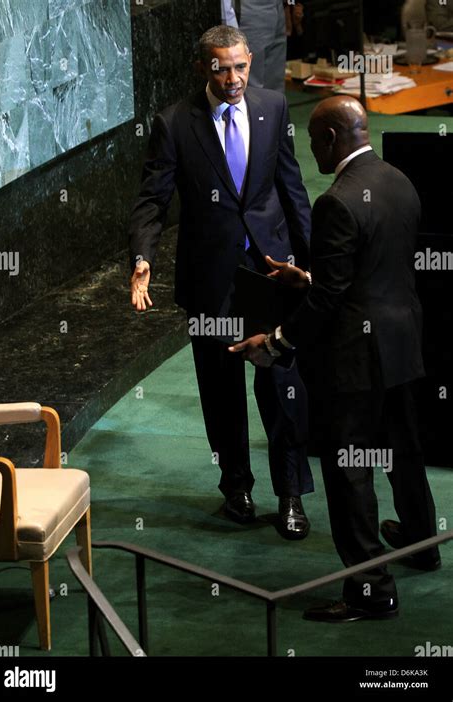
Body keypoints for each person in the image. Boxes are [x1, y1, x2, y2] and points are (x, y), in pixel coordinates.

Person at [231, 95, 440, 621]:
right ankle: (421, 541)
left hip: (355, 358)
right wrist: (307, 276)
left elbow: (328, 303)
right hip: (404, 342)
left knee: (350, 470)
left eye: (312, 139)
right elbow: (370, 269)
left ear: (329, 139)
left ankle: (371, 590)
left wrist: (274, 342)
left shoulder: (336, 201)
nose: (308, 148)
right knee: (405, 447)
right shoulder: (399, 179)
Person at [129, 25, 314, 538]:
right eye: (221, 68)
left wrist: (313, 264)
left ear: (251, 60)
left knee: (281, 384)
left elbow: (291, 187)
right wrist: (143, 256)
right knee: (221, 388)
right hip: (210, 279)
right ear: (203, 68)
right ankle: (237, 486)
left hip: (270, 272)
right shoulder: (174, 124)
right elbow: (152, 200)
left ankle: (292, 492)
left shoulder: (274, 108)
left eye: (240, 66)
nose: (233, 78)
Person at [221, 1, 288, 92]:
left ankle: (274, 106)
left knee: (275, 81)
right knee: (252, 83)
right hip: (250, 7)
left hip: (277, 5)